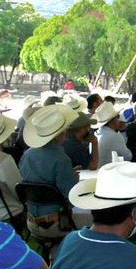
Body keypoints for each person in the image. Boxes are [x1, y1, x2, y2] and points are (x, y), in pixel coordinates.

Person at [19, 104, 82, 244]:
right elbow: (70, 194)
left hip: (31, 221)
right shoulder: (61, 158)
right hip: (57, 223)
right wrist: (73, 178)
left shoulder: (28, 155)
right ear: (59, 134)